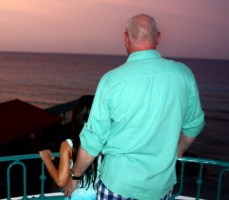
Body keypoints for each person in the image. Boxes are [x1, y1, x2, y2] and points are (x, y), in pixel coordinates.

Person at [63, 14, 205, 200]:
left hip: (118, 185)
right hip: (160, 187)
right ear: (159, 37)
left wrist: (74, 176)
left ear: (126, 39)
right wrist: (179, 149)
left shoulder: (112, 81)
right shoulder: (183, 75)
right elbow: (194, 124)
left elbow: (94, 139)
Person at [39, 95, 100, 200]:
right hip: (99, 195)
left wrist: (46, 159)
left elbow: (61, 181)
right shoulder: (104, 143)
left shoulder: (68, 145)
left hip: (76, 196)